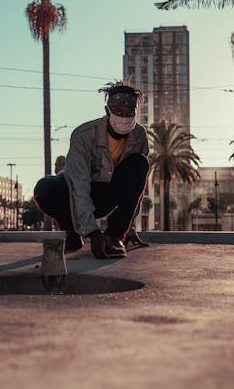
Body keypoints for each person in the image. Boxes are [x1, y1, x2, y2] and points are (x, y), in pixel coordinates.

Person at [34, 81, 150, 259]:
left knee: (140, 163)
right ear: (107, 111)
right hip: (74, 192)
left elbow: (136, 188)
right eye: (119, 112)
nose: (124, 118)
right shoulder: (84, 135)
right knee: (45, 188)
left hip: (108, 195)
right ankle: (71, 230)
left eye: (130, 113)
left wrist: (129, 228)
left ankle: (114, 237)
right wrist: (93, 233)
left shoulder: (139, 135)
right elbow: (79, 185)